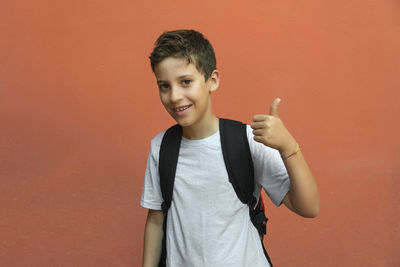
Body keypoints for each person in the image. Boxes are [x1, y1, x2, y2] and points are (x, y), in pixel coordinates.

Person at [140, 29, 319, 267]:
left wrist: (288, 147)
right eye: (164, 86)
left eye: (186, 82)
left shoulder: (247, 140)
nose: (174, 96)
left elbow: (309, 207)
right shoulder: (161, 148)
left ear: (212, 80)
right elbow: (155, 220)